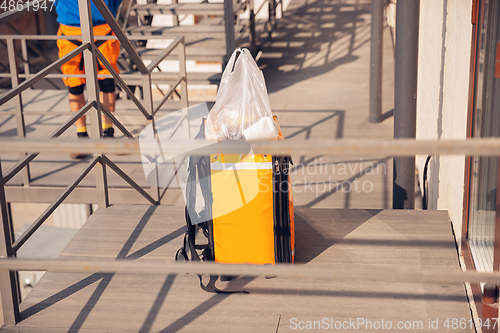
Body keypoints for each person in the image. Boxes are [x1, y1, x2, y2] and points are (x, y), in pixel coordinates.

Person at [55, 0, 122, 158]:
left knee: (106, 82)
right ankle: (82, 137)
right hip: (70, 28)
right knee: (74, 84)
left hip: (101, 27)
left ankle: (108, 133)